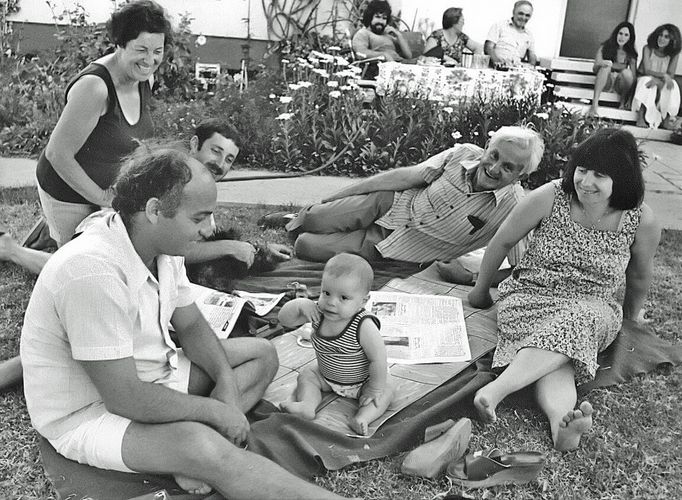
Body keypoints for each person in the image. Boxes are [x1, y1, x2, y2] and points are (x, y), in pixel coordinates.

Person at [20, 146, 351, 499]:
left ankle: (186, 446)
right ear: (154, 211)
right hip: (89, 412)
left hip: (151, 375)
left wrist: (225, 382)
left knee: (261, 353)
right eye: (198, 218)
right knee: (203, 446)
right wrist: (216, 412)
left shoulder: (160, 246)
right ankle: (195, 448)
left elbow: (192, 326)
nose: (209, 230)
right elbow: (124, 398)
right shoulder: (91, 271)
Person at [0, 120, 292, 391]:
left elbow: (188, 258)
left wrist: (259, 251)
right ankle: (13, 250)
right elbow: (170, 245)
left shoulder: (199, 197)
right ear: (194, 146)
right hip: (115, 282)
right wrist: (227, 248)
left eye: (229, 159)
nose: (220, 164)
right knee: (80, 334)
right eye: (216, 151)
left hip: (161, 310)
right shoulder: (159, 178)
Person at [467, 128, 661, 451]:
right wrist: (480, 290)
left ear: (623, 179)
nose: (585, 181)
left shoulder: (640, 220)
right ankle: (537, 411)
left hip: (593, 307)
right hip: (530, 297)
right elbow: (503, 240)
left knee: (576, 325)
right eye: (582, 170)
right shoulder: (552, 196)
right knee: (563, 358)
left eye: (599, 174)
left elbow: (639, 276)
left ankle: (531, 408)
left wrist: (630, 319)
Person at [272, 126, 544, 271]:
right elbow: (403, 178)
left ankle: (298, 222)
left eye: (508, 167)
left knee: (306, 245)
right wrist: (334, 197)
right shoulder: (462, 153)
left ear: (521, 176)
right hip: (387, 204)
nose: (494, 169)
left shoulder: (516, 206)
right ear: (487, 147)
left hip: (393, 247)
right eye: (494, 156)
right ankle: (299, 217)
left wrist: (473, 277)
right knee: (315, 216)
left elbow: (524, 269)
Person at [35, 0, 171, 247]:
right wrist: (104, 198)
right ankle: (14, 249)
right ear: (119, 44)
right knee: (84, 263)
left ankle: (49, 234)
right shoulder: (95, 87)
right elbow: (57, 154)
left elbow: (136, 141)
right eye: (141, 49)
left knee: (128, 251)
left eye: (157, 51)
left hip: (107, 190)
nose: (150, 60)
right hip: (67, 191)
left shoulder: (144, 78)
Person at [278, 253, 394, 436]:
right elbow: (284, 319)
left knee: (386, 389)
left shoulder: (363, 325)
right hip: (326, 378)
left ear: (363, 301)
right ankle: (307, 406)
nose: (331, 302)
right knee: (307, 375)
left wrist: (374, 387)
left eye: (343, 298)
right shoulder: (317, 313)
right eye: (326, 293)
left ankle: (363, 417)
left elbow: (378, 359)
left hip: (361, 383)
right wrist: (300, 304)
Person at [632, 24, 681, 129]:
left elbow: (671, 74)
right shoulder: (648, 48)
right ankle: (641, 115)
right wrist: (663, 75)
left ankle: (667, 118)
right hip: (644, 77)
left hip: (660, 81)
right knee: (647, 81)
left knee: (674, 85)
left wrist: (660, 81)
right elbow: (647, 70)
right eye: (660, 35)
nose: (661, 39)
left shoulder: (674, 54)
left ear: (672, 40)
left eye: (666, 37)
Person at [588, 22, 638, 117]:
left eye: (626, 35)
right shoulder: (605, 47)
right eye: (620, 33)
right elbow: (595, 68)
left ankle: (622, 102)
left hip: (620, 85)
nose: (622, 37)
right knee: (605, 68)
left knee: (627, 73)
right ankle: (595, 103)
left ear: (630, 38)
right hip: (606, 82)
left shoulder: (631, 53)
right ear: (616, 34)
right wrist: (603, 63)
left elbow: (634, 77)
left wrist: (630, 99)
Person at [485, 0, 537, 67]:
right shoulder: (499, 26)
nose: (523, 18)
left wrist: (530, 65)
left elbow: (532, 57)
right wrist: (498, 63)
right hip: (495, 69)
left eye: (527, 15)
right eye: (521, 13)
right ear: (513, 12)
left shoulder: (529, 35)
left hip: (517, 72)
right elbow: (488, 48)